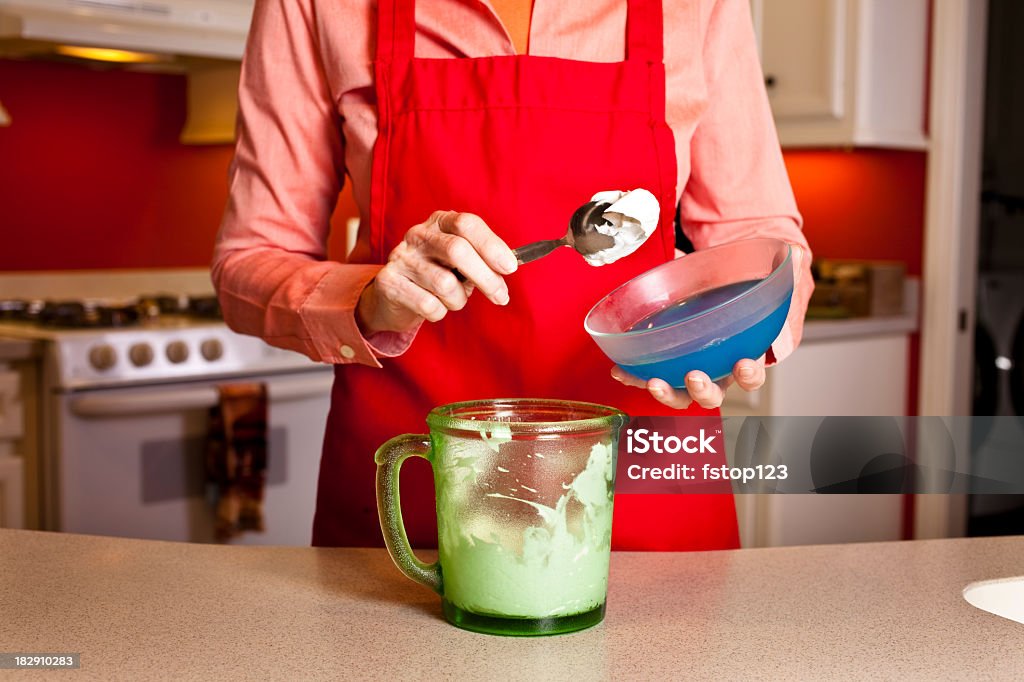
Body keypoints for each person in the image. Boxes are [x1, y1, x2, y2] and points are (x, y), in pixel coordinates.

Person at [213, 0, 813, 551]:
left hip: (643, 473)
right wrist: (369, 300)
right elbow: (248, 259)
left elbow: (760, 237)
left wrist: (738, 340)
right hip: (417, 476)